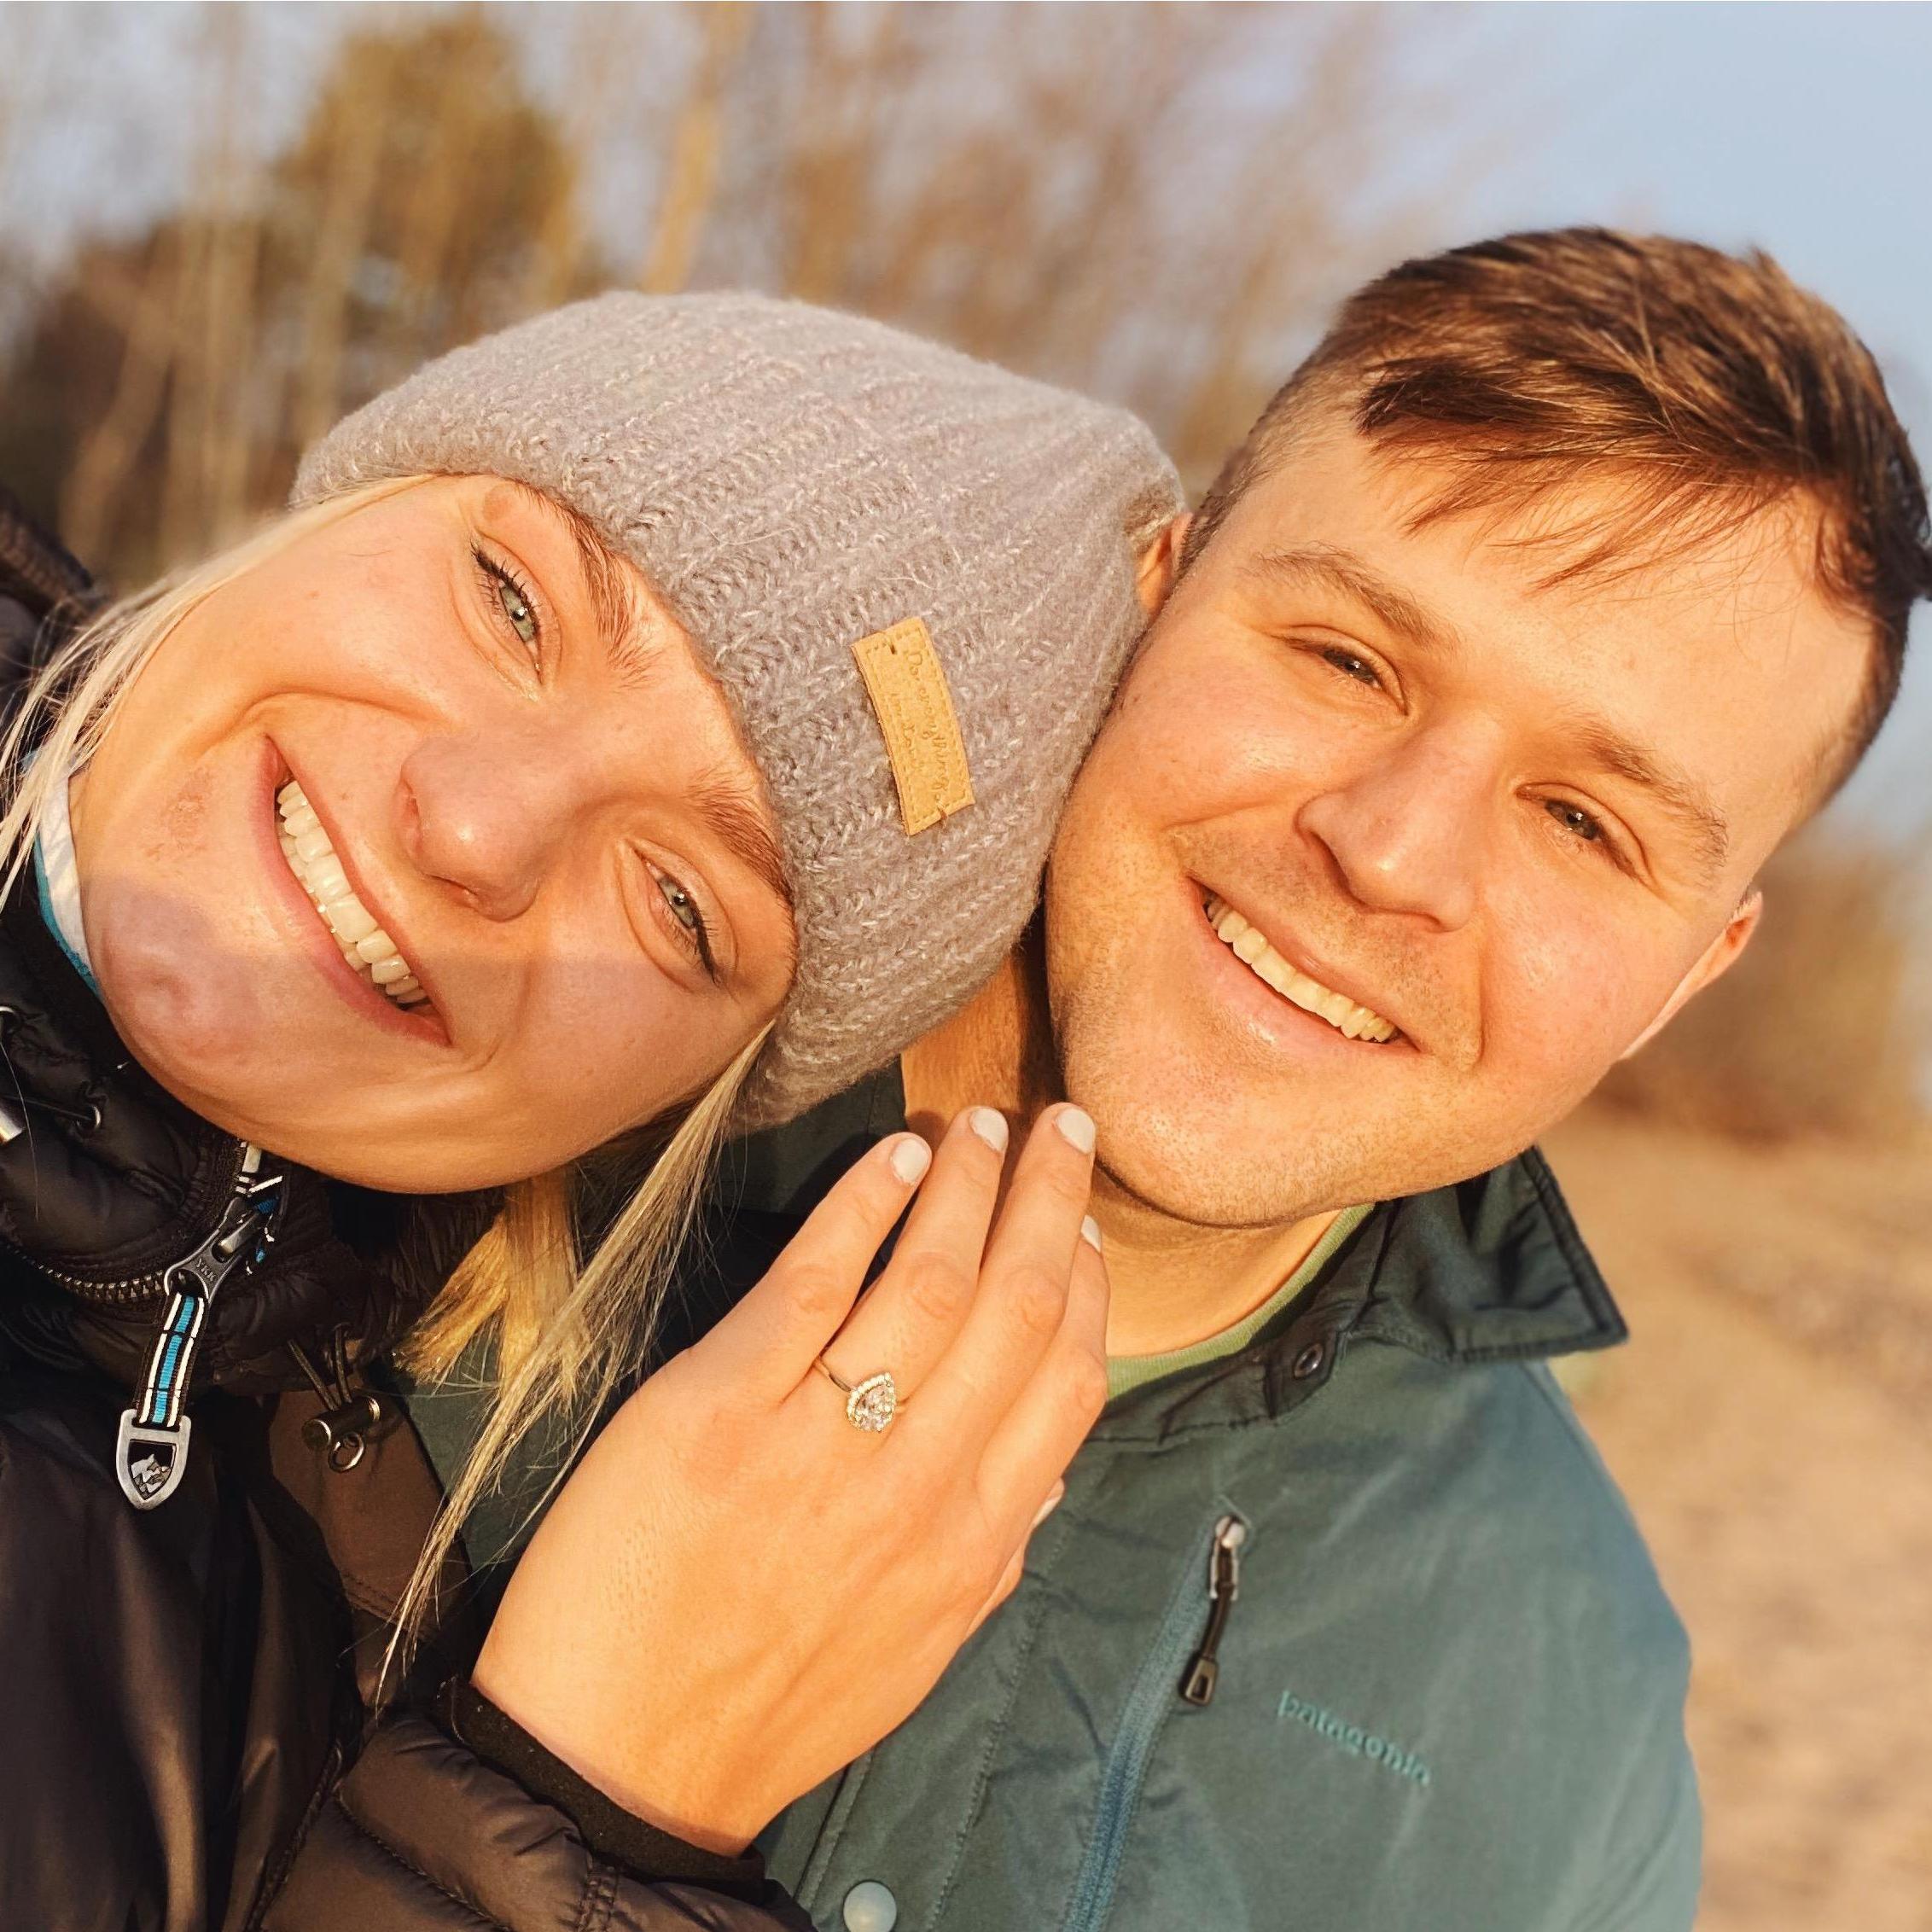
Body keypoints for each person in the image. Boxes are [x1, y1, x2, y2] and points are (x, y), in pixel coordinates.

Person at [361, 230, 1929, 1932]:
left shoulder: (1566, 1720)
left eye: (1582, 822)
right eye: (1348, 660)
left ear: (1689, 972)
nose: (1388, 849)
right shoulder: (494, 1087)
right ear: (1156, 590)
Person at [0, 293, 1186, 1929]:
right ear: (361, 491)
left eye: (684, 905)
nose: (478, 828)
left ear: (673, 1106)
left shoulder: (377, 1545)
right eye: (512, 602)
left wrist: (563, 1814)